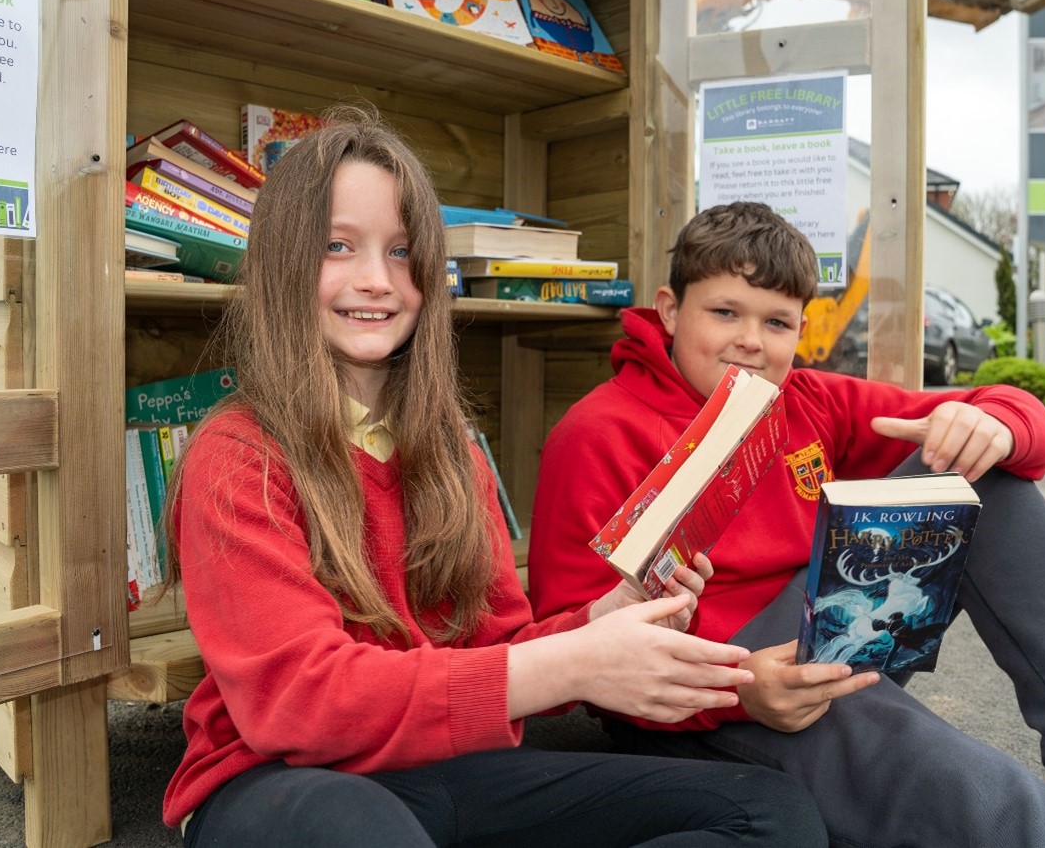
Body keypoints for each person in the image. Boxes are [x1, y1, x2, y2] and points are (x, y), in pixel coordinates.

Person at [159, 112, 827, 847]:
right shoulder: (236, 452)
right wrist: (565, 661)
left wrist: (600, 621)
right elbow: (298, 703)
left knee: (771, 812)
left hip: (447, 766)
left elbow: (501, 644)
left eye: (403, 251)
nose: (376, 280)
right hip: (279, 778)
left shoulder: (450, 451)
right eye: (337, 247)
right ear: (281, 263)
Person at [529, 201, 1045, 848]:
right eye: (724, 312)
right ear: (667, 308)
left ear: (799, 330)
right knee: (965, 785)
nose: (750, 340)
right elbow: (570, 654)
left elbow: (1003, 409)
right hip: (700, 700)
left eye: (776, 321)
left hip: (830, 625)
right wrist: (738, 685)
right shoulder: (594, 433)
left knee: (978, 469)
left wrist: (992, 424)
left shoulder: (805, 398)